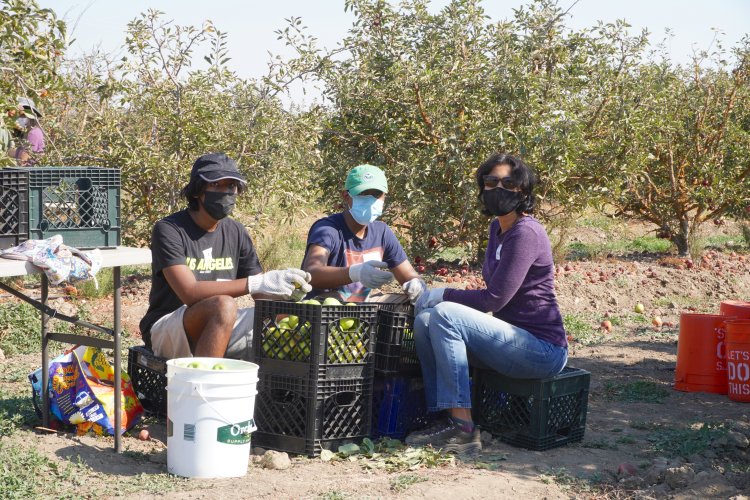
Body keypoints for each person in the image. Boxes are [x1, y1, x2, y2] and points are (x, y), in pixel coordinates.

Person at [405, 153, 568, 457]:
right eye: (491, 182)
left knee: (443, 313)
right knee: (424, 322)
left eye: (508, 182)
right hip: (509, 340)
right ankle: (442, 416)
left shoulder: (527, 233)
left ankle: (463, 429)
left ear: (522, 189)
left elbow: (494, 299)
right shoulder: (498, 228)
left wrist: (443, 294)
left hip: (541, 349)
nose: (498, 189)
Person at [139, 152, 312, 360]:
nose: (225, 192)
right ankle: (203, 386)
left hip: (220, 322)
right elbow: (190, 292)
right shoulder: (169, 229)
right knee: (223, 305)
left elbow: (261, 296)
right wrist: (257, 283)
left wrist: (284, 292)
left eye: (231, 186)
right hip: (167, 327)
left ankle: (273, 390)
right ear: (197, 191)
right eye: (216, 185)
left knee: (290, 314)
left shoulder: (236, 231)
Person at [301, 164, 425, 303]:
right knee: (333, 299)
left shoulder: (381, 232)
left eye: (377, 194)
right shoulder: (328, 230)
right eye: (364, 194)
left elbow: (408, 275)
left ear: (384, 197)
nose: (371, 200)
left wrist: (416, 284)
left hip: (361, 307)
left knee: (409, 303)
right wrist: (355, 273)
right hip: (324, 308)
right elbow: (311, 273)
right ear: (346, 196)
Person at [7, 97, 45, 165]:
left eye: (22, 115)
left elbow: (23, 162)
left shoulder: (33, 133)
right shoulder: (25, 134)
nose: (18, 118)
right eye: (16, 115)